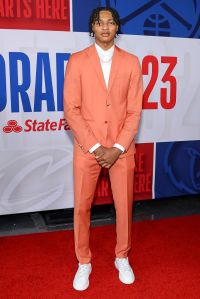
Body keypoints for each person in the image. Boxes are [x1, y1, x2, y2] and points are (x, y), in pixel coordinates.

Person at [63, 6, 143, 291]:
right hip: (87, 149)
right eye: (100, 22)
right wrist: (97, 147)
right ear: (92, 28)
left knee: (124, 208)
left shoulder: (132, 62)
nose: (105, 27)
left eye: (110, 22)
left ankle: (122, 256)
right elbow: (71, 110)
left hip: (122, 150)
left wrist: (117, 147)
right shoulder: (77, 61)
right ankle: (83, 262)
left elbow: (134, 111)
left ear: (117, 27)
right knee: (82, 209)